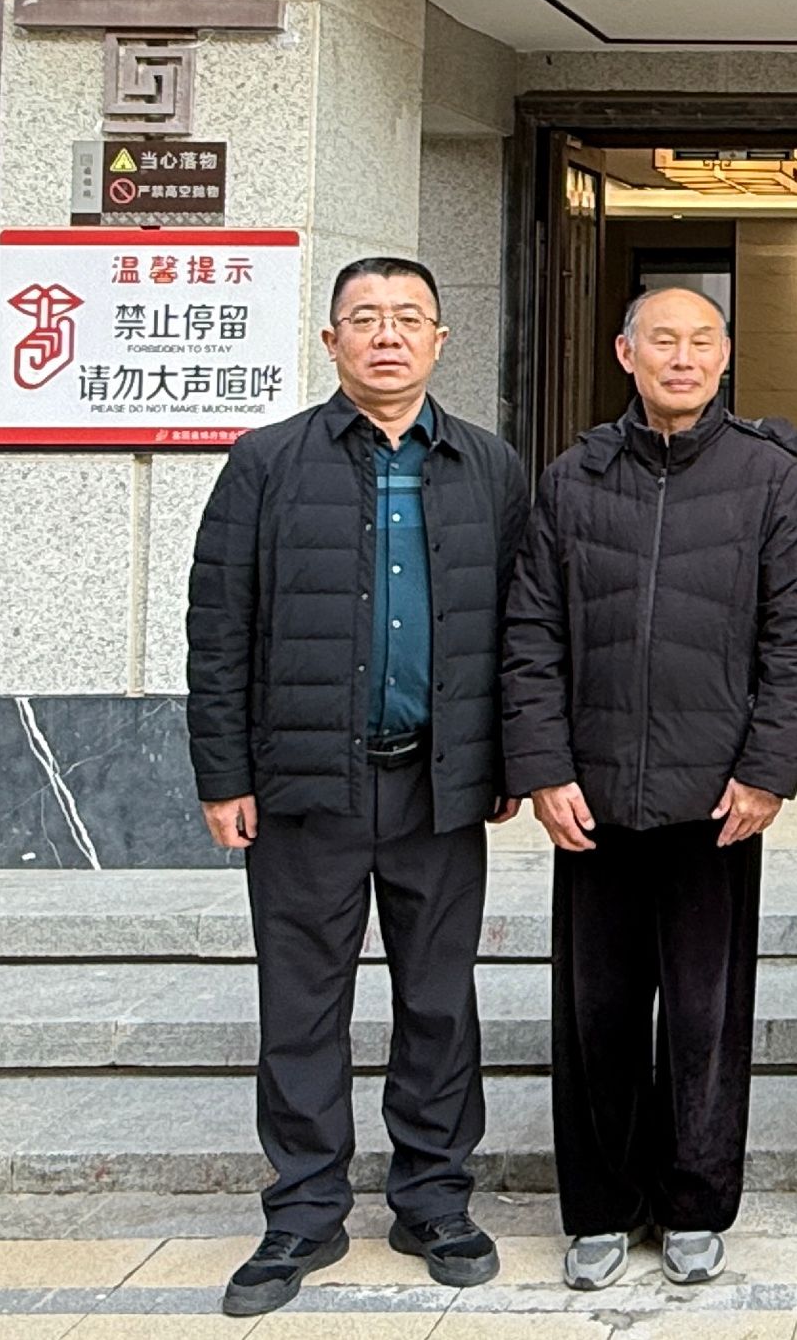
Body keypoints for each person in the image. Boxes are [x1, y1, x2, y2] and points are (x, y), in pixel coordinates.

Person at [185, 255, 528, 1319]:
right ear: (330, 340)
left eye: (408, 318)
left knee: (439, 1001)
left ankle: (433, 1198)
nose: (388, 335)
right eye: (365, 318)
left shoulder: (489, 466)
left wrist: (510, 760)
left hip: (438, 784)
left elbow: (523, 627)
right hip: (305, 786)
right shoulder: (267, 462)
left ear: (439, 341)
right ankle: (303, 1209)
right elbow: (218, 626)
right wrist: (223, 772)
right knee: (301, 1004)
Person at [502, 284, 797, 1292]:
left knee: (704, 1017)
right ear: (625, 353)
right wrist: (543, 766)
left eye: (701, 342)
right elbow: (531, 633)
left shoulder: (770, 478)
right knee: (595, 1012)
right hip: (593, 795)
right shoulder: (573, 479)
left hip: (716, 800)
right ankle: (600, 1207)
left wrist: (768, 771)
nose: (682, 358)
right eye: (662, 341)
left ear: (725, 355)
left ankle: (694, 1202)